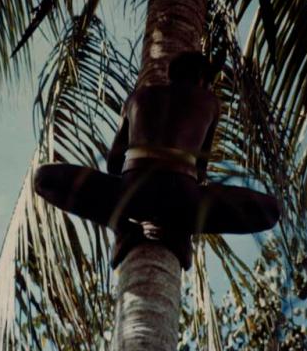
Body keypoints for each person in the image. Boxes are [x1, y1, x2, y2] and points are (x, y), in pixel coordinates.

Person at [34, 51, 280, 270]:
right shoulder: (209, 102)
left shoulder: (137, 98)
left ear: (173, 75)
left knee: (44, 178)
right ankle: (179, 230)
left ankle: (123, 227)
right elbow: (200, 170)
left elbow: (113, 162)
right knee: (269, 211)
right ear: (202, 79)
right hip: (183, 197)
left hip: (133, 191)